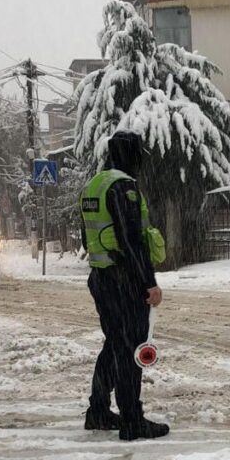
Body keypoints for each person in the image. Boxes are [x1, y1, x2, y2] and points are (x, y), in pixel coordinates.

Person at [80, 131, 169, 441]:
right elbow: (132, 239)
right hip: (124, 278)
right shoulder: (124, 187)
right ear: (133, 155)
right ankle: (132, 419)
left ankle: (99, 411)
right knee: (131, 347)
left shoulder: (95, 184)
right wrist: (148, 282)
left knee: (115, 343)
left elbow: (86, 237)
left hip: (100, 276)